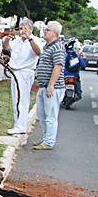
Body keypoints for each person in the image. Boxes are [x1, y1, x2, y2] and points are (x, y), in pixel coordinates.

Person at [2, 19, 42, 134]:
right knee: (16, 99)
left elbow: (38, 52)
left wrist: (29, 38)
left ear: (30, 29)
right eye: (21, 27)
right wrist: (8, 38)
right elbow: (6, 48)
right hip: (15, 71)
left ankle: (21, 126)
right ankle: (17, 124)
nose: (22, 30)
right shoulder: (17, 41)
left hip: (25, 71)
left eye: (25, 28)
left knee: (22, 99)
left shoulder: (35, 40)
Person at [33, 21, 66, 150]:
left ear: (55, 33)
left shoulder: (57, 46)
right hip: (43, 85)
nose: (45, 31)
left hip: (52, 87)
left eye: (48, 30)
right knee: (41, 114)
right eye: (45, 29)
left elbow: (58, 66)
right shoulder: (48, 46)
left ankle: (49, 141)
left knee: (50, 115)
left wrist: (51, 85)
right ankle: (46, 138)